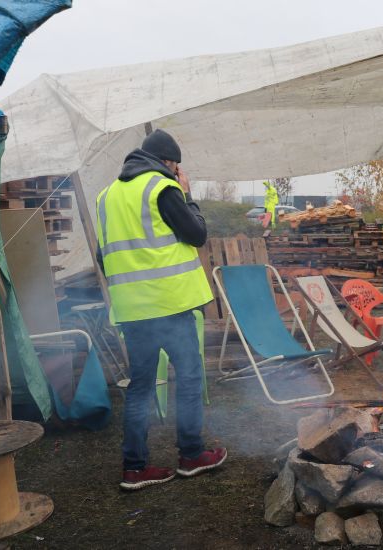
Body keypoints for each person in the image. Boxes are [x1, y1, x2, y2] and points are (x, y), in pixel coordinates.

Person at [95, 129, 227, 490]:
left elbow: (102, 256)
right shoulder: (161, 187)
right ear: (169, 163)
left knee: (140, 387)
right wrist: (187, 195)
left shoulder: (106, 196)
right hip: (169, 304)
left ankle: (134, 468)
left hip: (132, 309)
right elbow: (197, 234)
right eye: (176, 167)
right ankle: (190, 455)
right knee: (187, 376)